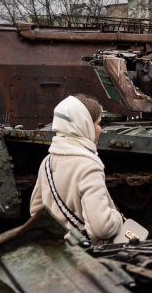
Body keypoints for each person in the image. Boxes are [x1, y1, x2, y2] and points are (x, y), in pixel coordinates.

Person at [30, 94, 123, 244]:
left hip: (59, 251)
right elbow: (102, 228)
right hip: (86, 254)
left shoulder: (47, 162)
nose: (101, 130)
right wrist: (117, 216)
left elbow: (36, 211)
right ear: (83, 124)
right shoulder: (89, 167)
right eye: (98, 123)